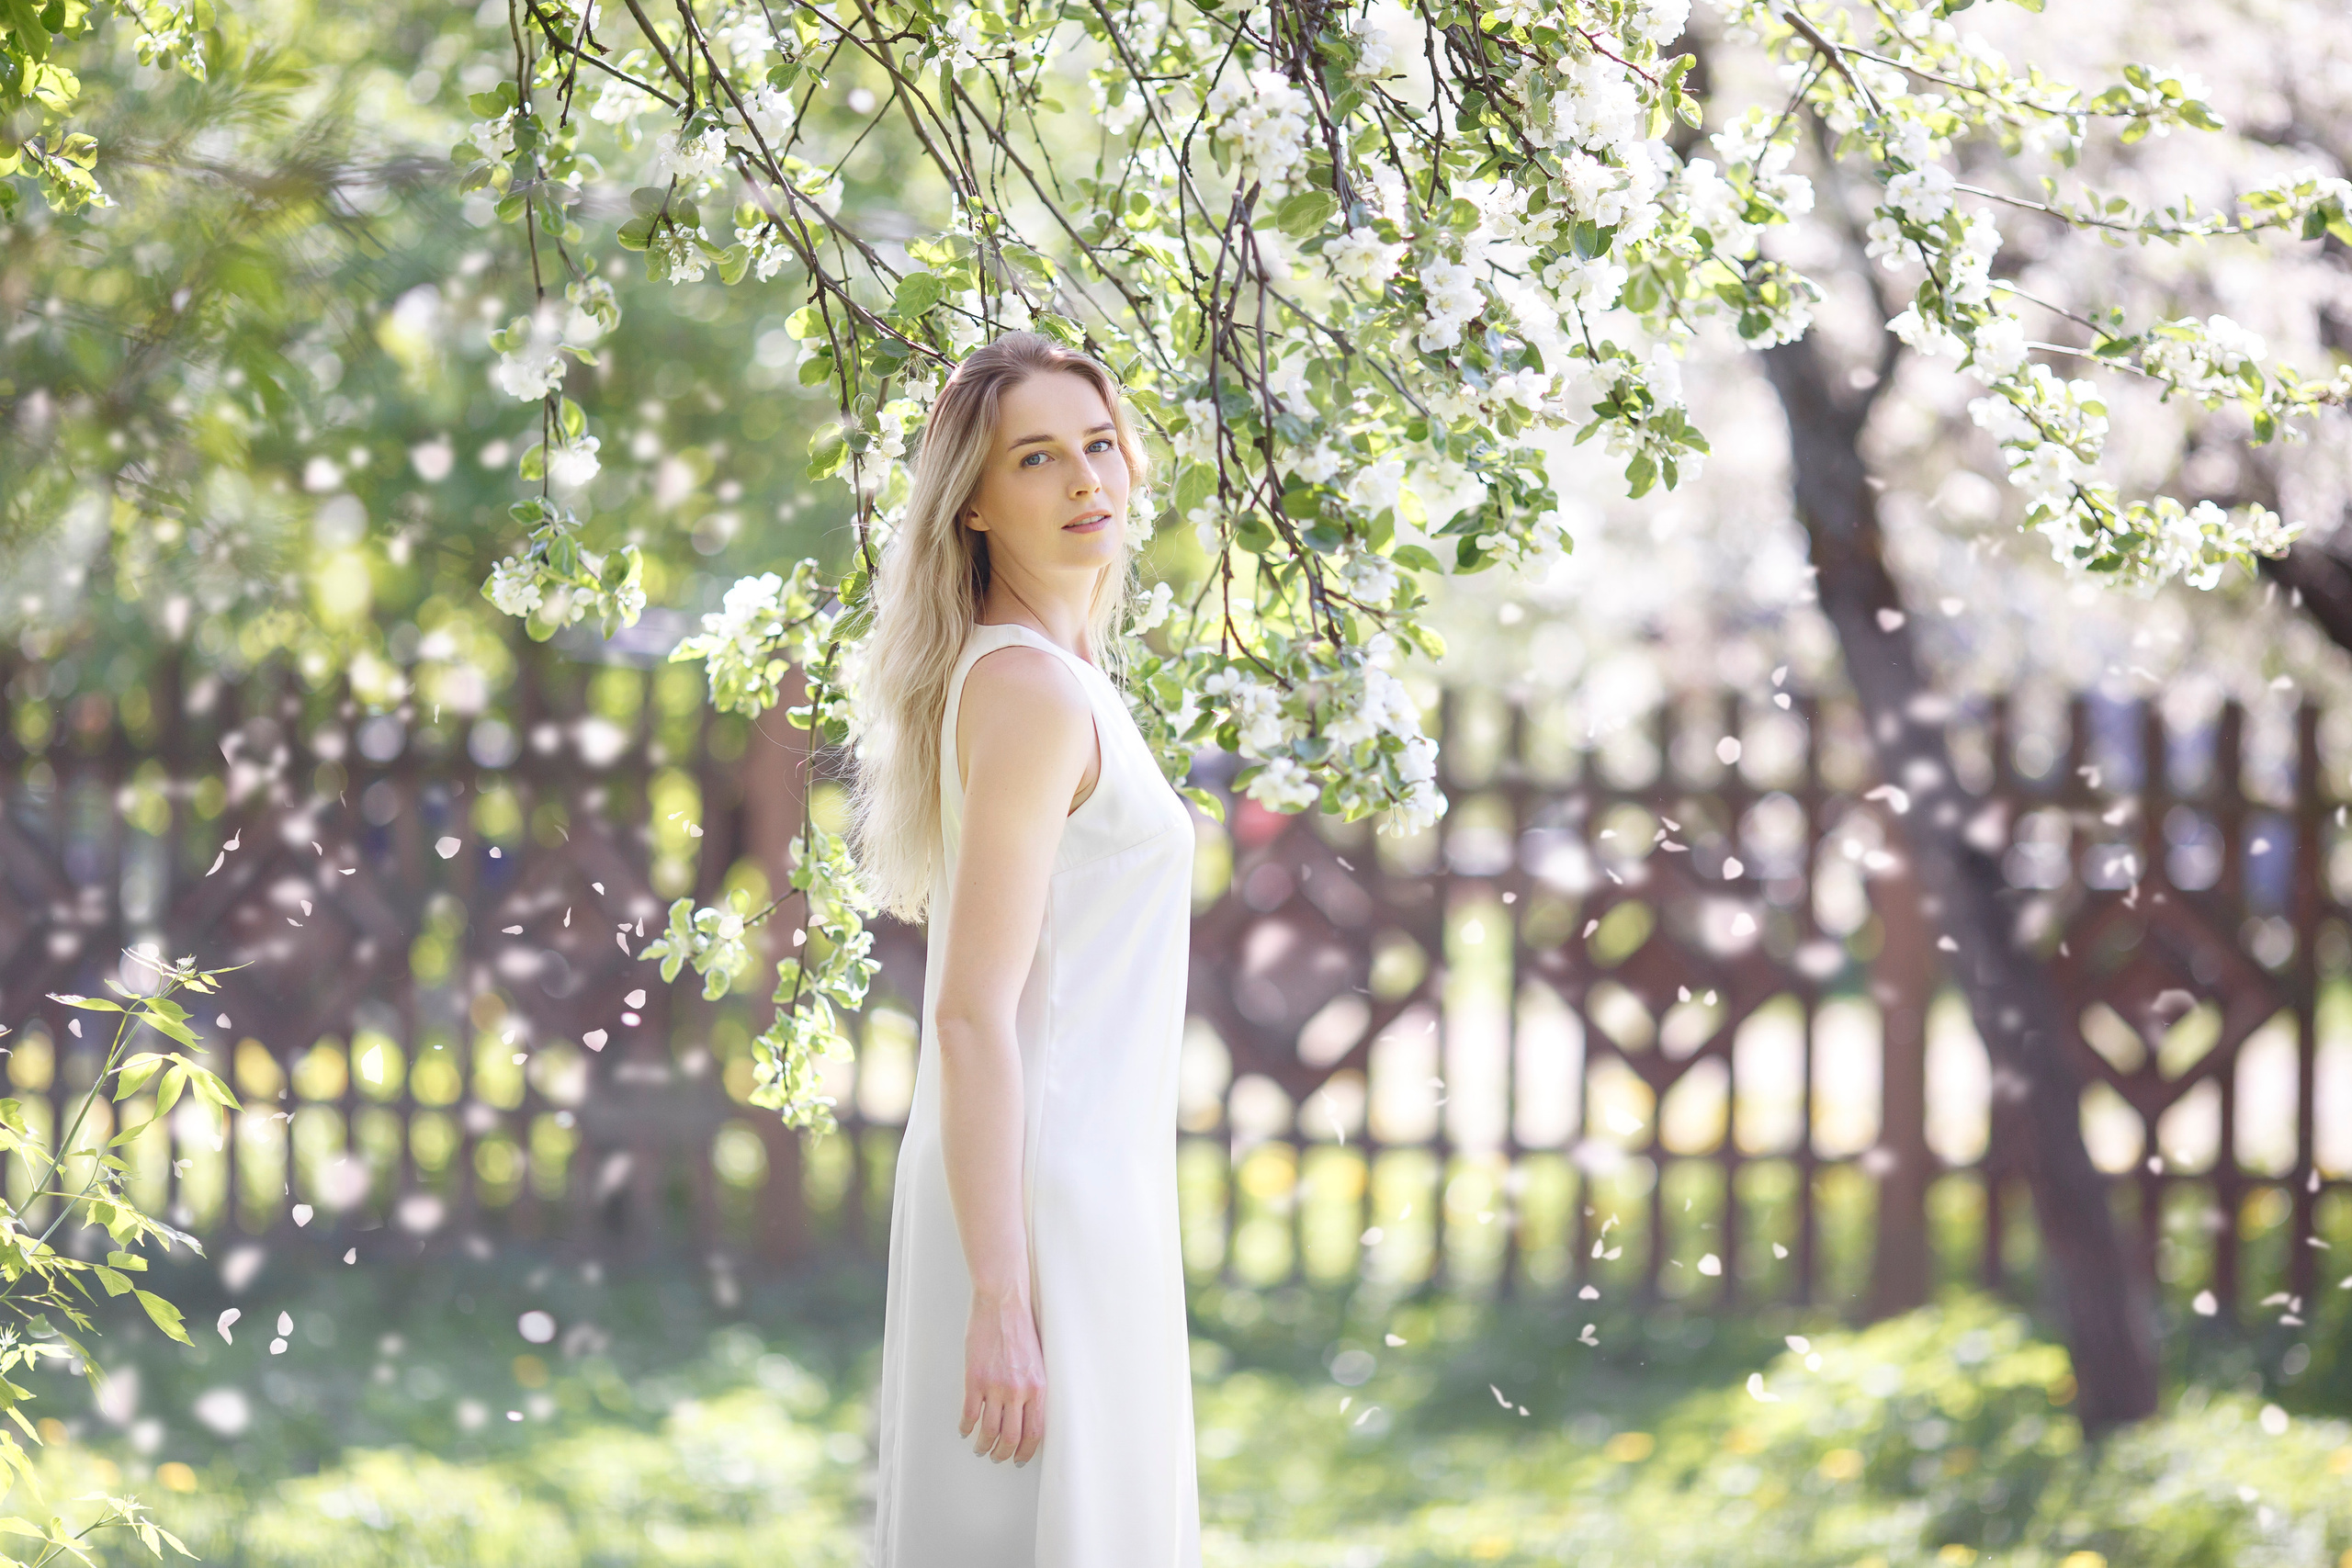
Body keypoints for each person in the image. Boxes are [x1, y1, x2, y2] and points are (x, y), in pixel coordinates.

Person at [854, 331, 1203, 1563]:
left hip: (1087, 1183)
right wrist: (1003, 1296)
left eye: (1098, 445)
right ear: (975, 505)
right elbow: (971, 1013)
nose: (1085, 480)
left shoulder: (1060, 680)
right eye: (1038, 458)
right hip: (1037, 1201)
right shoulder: (1030, 692)